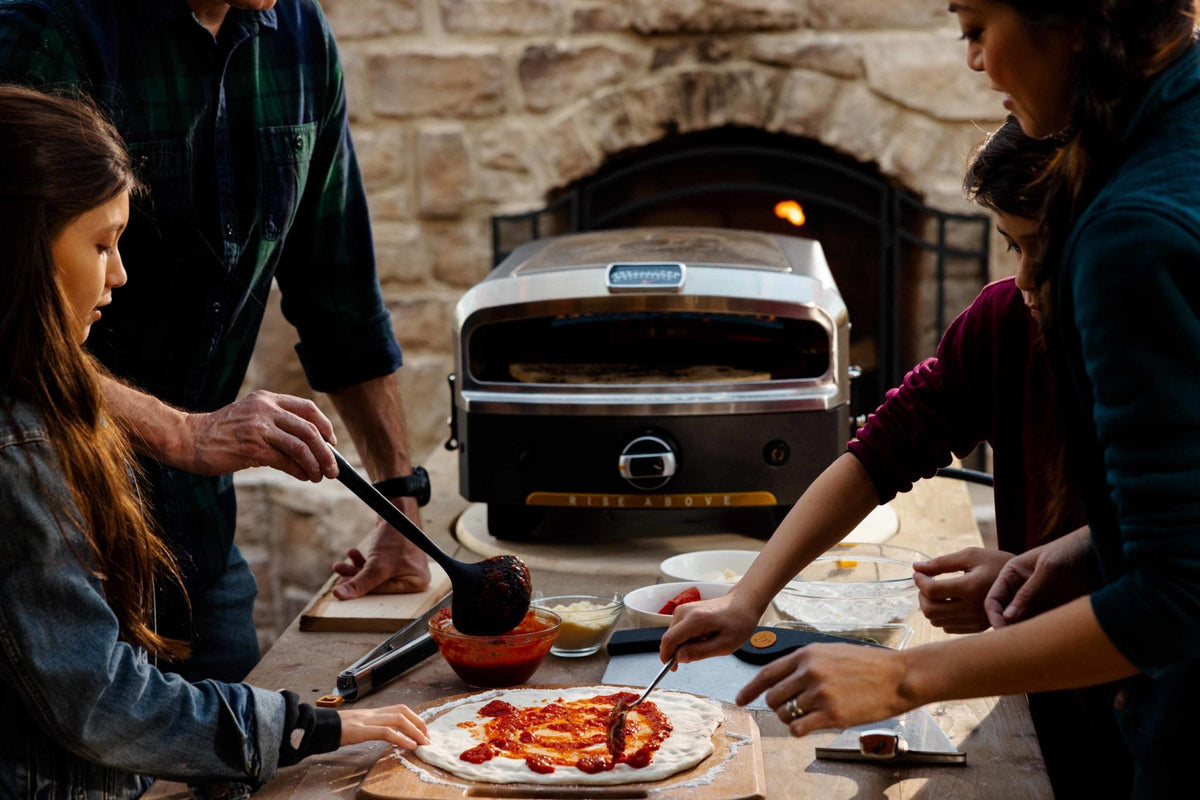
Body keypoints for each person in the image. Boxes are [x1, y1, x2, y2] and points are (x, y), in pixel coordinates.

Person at [662, 2, 1200, 796]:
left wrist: (902, 679)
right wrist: (1082, 550)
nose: (974, 61)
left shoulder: (1131, 232)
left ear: (1076, 15)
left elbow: (1173, 595)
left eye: (975, 25)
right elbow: (885, 446)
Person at [0, 83, 430, 800]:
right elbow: (100, 701)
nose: (119, 274)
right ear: (18, 252)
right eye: (101, 244)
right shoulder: (17, 449)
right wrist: (311, 727)